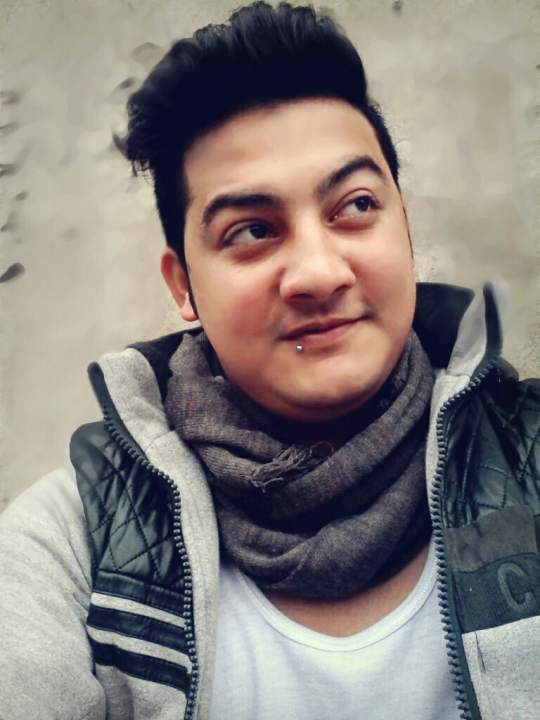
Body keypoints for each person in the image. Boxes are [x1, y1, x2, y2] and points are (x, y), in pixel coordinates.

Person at [1, 2, 538, 719]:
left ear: (405, 229)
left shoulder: (528, 461)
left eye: (355, 206)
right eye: (253, 230)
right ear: (183, 288)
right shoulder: (75, 541)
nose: (318, 272)